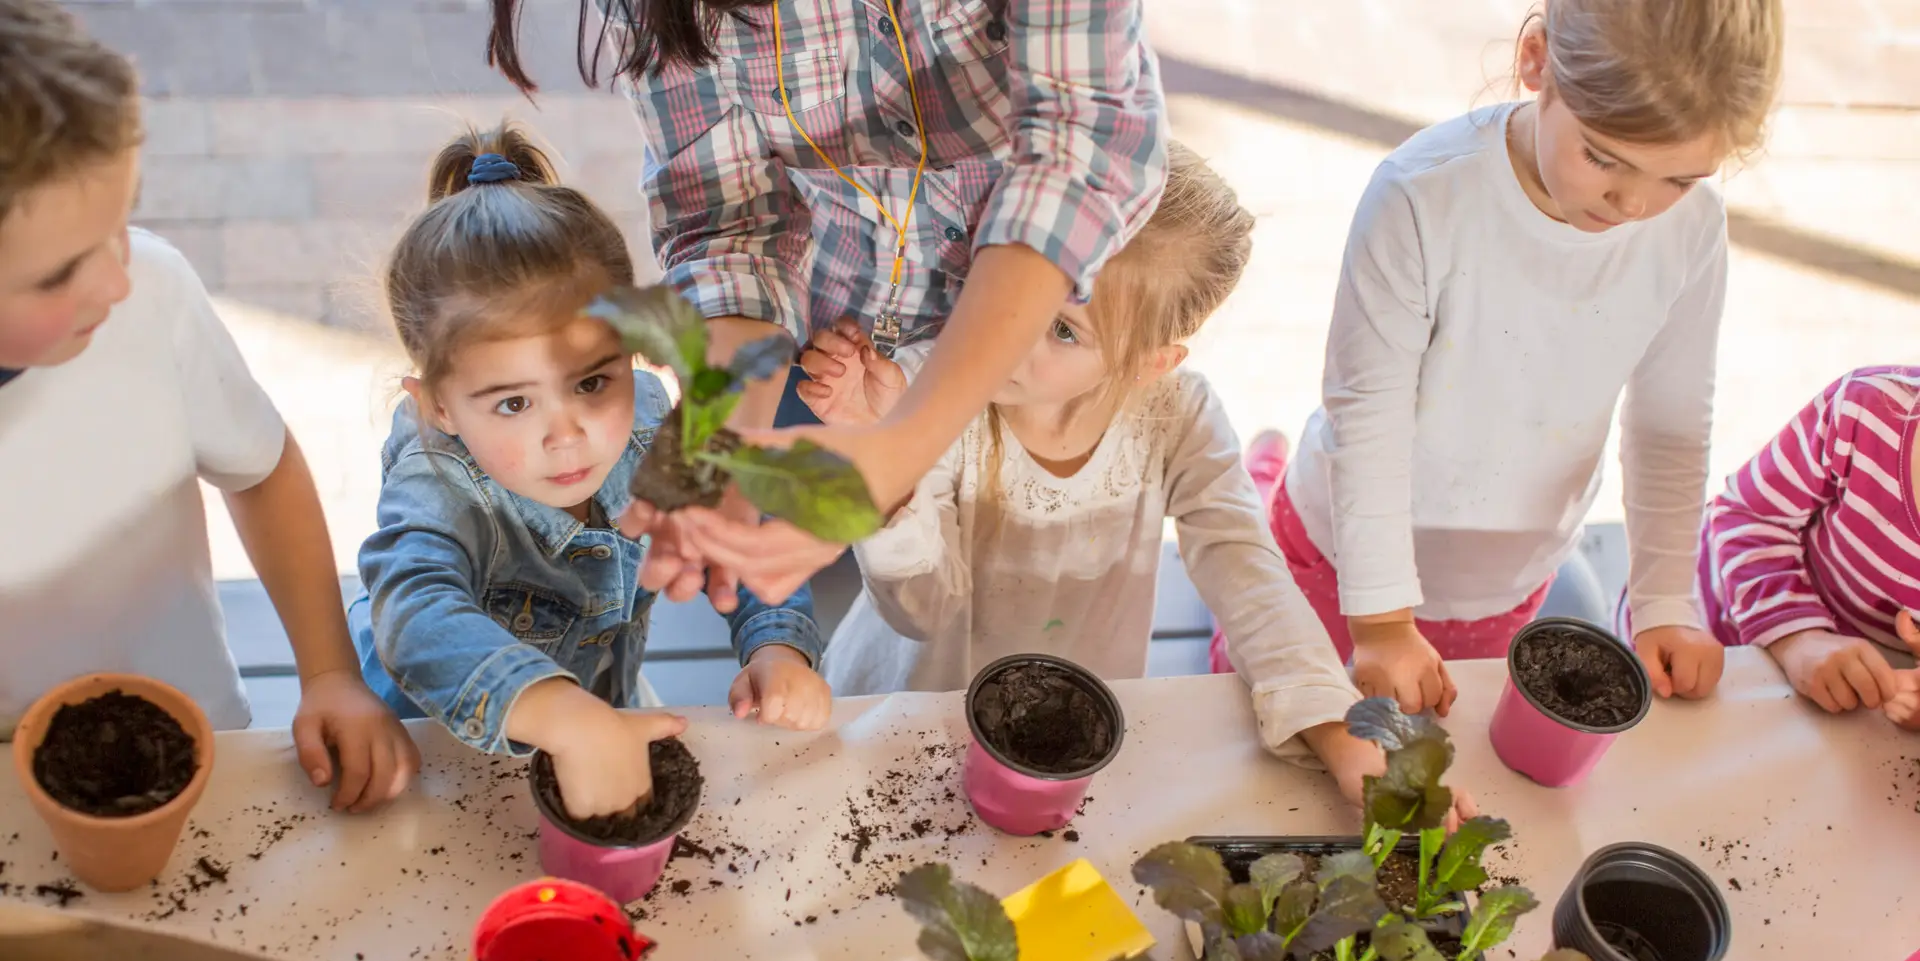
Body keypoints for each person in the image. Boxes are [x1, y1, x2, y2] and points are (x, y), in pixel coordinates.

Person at [485, 0, 1168, 606]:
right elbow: (729, 220)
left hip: (1044, 321)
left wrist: (898, 449)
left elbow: (1076, 149)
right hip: (821, 341)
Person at [1212, 0, 1784, 716]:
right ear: (1537, 61)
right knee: (1265, 710)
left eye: (1680, 179)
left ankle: (1264, 472)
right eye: (1604, 158)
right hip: (1344, 563)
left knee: (1424, 753)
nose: (1635, 203)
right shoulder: (1421, 194)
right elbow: (1368, 415)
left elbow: (1671, 420)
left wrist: (1667, 599)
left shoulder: (1692, 229)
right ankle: (1263, 490)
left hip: (1512, 582)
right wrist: (1383, 622)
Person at [803, 143, 1414, 809]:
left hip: (1066, 731)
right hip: (911, 714)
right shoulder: (929, 384)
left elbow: (1246, 570)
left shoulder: (1180, 414)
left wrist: (1335, 730)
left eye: (1063, 330)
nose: (1012, 333)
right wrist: (887, 451)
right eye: (1016, 286)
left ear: (1153, 362)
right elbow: (921, 610)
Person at [0, 0, 417, 812]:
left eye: (122, 224)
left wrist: (329, 669)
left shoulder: (151, 293)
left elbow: (259, 469)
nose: (115, 282)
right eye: (60, 274)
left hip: (198, 748)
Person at [349, 124, 830, 819]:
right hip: (430, 747)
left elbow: (741, 531)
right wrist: (565, 718)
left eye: (591, 385)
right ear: (439, 407)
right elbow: (416, 617)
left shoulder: (653, 427)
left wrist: (779, 644)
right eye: (513, 402)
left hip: (603, 705)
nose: (566, 434)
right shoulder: (436, 484)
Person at [1700, 366, 1920, 727]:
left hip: (1847, 718)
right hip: (1721, 633)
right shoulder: (1867, 409)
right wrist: (1799, 639)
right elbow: (1748, 513)